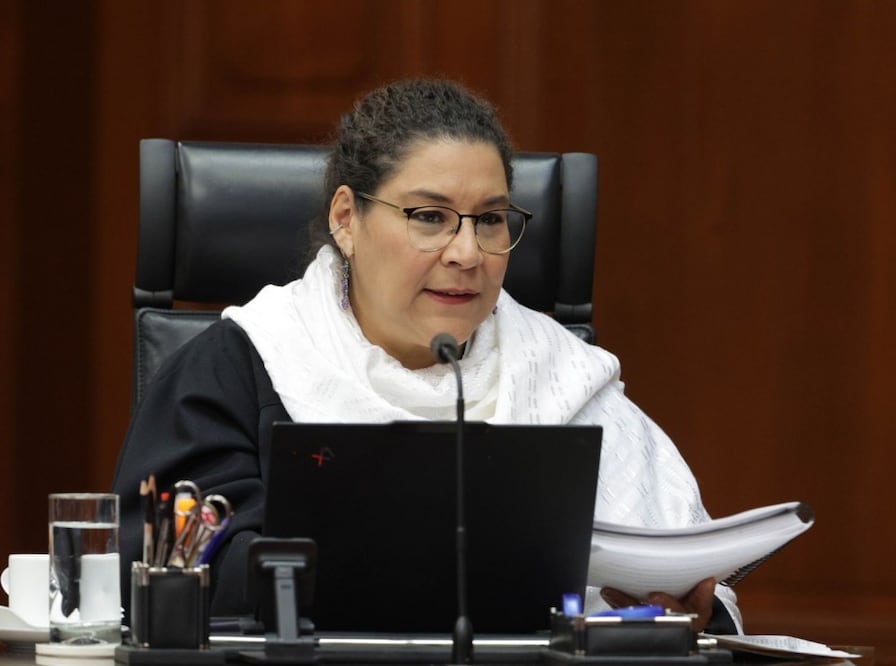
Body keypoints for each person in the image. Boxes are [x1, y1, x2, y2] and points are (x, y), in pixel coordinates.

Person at [111, 78, 741, 634]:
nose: (468, 252)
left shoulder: (564, 373)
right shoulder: (242, 366)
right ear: (346, 220)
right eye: (430, 216)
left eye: (490, 220)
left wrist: (683, 604)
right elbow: (181, 579)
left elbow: (692, 576)